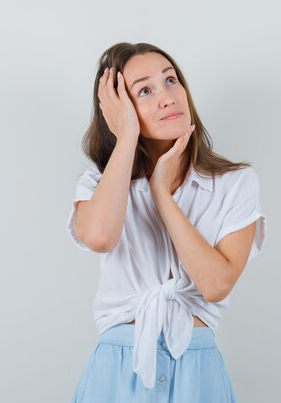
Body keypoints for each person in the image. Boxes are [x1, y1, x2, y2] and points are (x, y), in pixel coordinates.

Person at [67, 42, 267, 403]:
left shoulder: (235, 183)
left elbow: (216, 284)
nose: (167, 97)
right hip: (118, 369)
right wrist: (126, 135)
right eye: (145, 90)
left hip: (196, 368)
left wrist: (161, 192)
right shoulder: (99, 183)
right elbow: (98, 236)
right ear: (119, 109)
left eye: (171, 80)